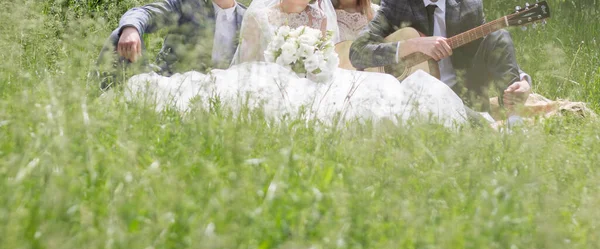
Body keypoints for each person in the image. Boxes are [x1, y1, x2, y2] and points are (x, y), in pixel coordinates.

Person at [125, 0, 473, 128]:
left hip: (315, 79)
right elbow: (246, 66)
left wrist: (316, 61)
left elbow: (333, 55)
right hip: (266, 78)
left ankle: (472, 116)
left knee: (380, 93)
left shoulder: (321, 15)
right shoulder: (260, 16)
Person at [349, 0, 531, 113]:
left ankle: (514, 117)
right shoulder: (398, 4)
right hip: (419, 97)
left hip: (466, 90)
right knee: (476, 125)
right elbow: (357, 52)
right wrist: (414, 44)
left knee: (500, 36)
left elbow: (489, 47)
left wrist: (523, 80)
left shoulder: (469, 3)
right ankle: (481, 123)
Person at [90, 0, 246, 90]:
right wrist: (131, 29)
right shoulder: (188, 4)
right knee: (119, 35)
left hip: (221, 91)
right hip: (171, 83)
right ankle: (97, 98)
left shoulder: (247, 17)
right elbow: (144, 13)